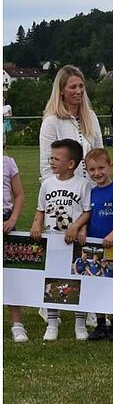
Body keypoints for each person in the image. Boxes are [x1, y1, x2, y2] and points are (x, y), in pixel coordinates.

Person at [30, 139, 92, 341]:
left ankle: (80, 323)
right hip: (52, 241)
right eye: (51, 158)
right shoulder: (47, 183)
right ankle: (52, 322)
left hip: (73, 243)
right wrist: (36, 224)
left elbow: (87, 211)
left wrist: (76, 226)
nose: (51, 162)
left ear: (71, 163)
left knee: (78, 279)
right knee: (53, 281)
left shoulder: (83, 185)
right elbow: (40, 208)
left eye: (56, 159)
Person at [80, 148, 113, 341]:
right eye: (92, 169)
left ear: (110, 167)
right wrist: (82, 230)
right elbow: (87, 215)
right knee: (95, 284)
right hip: (94, 245)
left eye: (101, 168)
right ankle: (100, 324)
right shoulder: (90, 192)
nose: (97, 173)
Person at [39, 65, 103, 180]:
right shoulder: (51, 122)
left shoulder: (91, 117)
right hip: (65, 192)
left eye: (81, 86)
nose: (78, 91)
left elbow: (100, 155)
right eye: (73, 87)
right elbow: (47, 165)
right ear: (61, 90)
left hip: (92, 189)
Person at [4, 144, 27, 342]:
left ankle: (17, 324)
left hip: (6, 223)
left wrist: (12, 219)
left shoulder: (8, 162)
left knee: (11, 274)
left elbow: (19, 194)